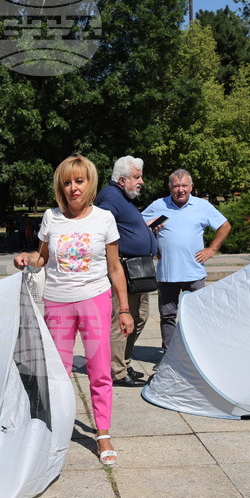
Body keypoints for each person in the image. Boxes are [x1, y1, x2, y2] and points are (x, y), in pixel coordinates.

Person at [13, 154, 133, 466]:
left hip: (94, 300)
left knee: (99, 370)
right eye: (67, 182)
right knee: (59, 373)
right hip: (57, 302)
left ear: (89, 183)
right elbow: (41, 259)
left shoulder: (104, 219)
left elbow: (115, 267)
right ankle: (58, 428)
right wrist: (27, 257)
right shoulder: (51, 218)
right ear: (60, 187)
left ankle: (102, 432)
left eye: (79, 181)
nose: (73, 188)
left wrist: (124, 309)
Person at [142, 169, 231, 350]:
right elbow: (139, 226)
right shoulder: (159, 205)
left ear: (191, 186)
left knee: (197, 315)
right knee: (167, 316)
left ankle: (197, 352)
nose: (180, 190)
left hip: (194, 272)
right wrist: (152, 241)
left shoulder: (202, 206)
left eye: (184, 185)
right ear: (169, 187)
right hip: (167, 274)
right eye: (176, 186)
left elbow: (225, 225)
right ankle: (169, 354)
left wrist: (212, 249)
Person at [95, 155, 157, 388]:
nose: (141, 181)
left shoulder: (124, 198)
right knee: (122, 321)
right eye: (137, 177)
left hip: (139, 270)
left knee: (139, 318)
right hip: (125, 270)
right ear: (122, 180)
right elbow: (102, 228)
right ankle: (116, 371)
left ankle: (124, 361)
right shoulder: (111, 197)